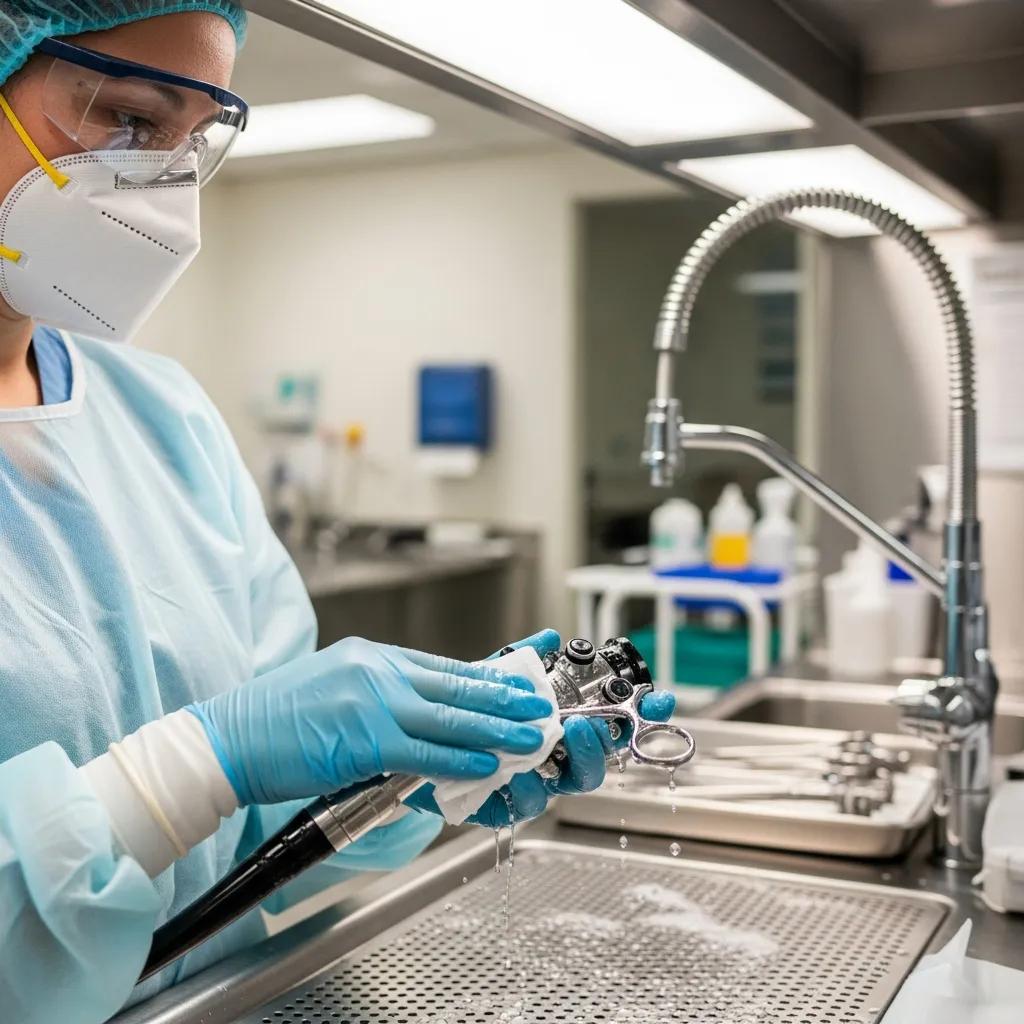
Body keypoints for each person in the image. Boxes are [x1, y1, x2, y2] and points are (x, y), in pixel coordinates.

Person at [0, 5, 675, 1023]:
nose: (163, 192)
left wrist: (414, 777)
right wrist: (191, 763)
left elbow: (252, 839)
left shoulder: (163, 416)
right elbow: (213, 765)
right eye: (130, 119)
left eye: (191, 142)